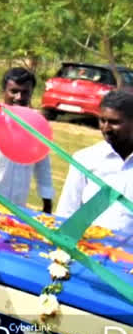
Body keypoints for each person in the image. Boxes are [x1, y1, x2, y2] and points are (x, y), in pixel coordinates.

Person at [0, 68, 54, 212]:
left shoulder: (37, 124)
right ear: (3, 92)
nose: (19, 97)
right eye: (13, 91)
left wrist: (47, 202)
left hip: (17, 207)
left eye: (25, 92)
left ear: (31, 93)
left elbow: (43, 164)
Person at [56, 90, 133, 232]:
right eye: (102, 120)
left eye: (115, 122)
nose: (106, 128)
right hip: (88, 248)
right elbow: (67, 211)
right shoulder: (85, 159)